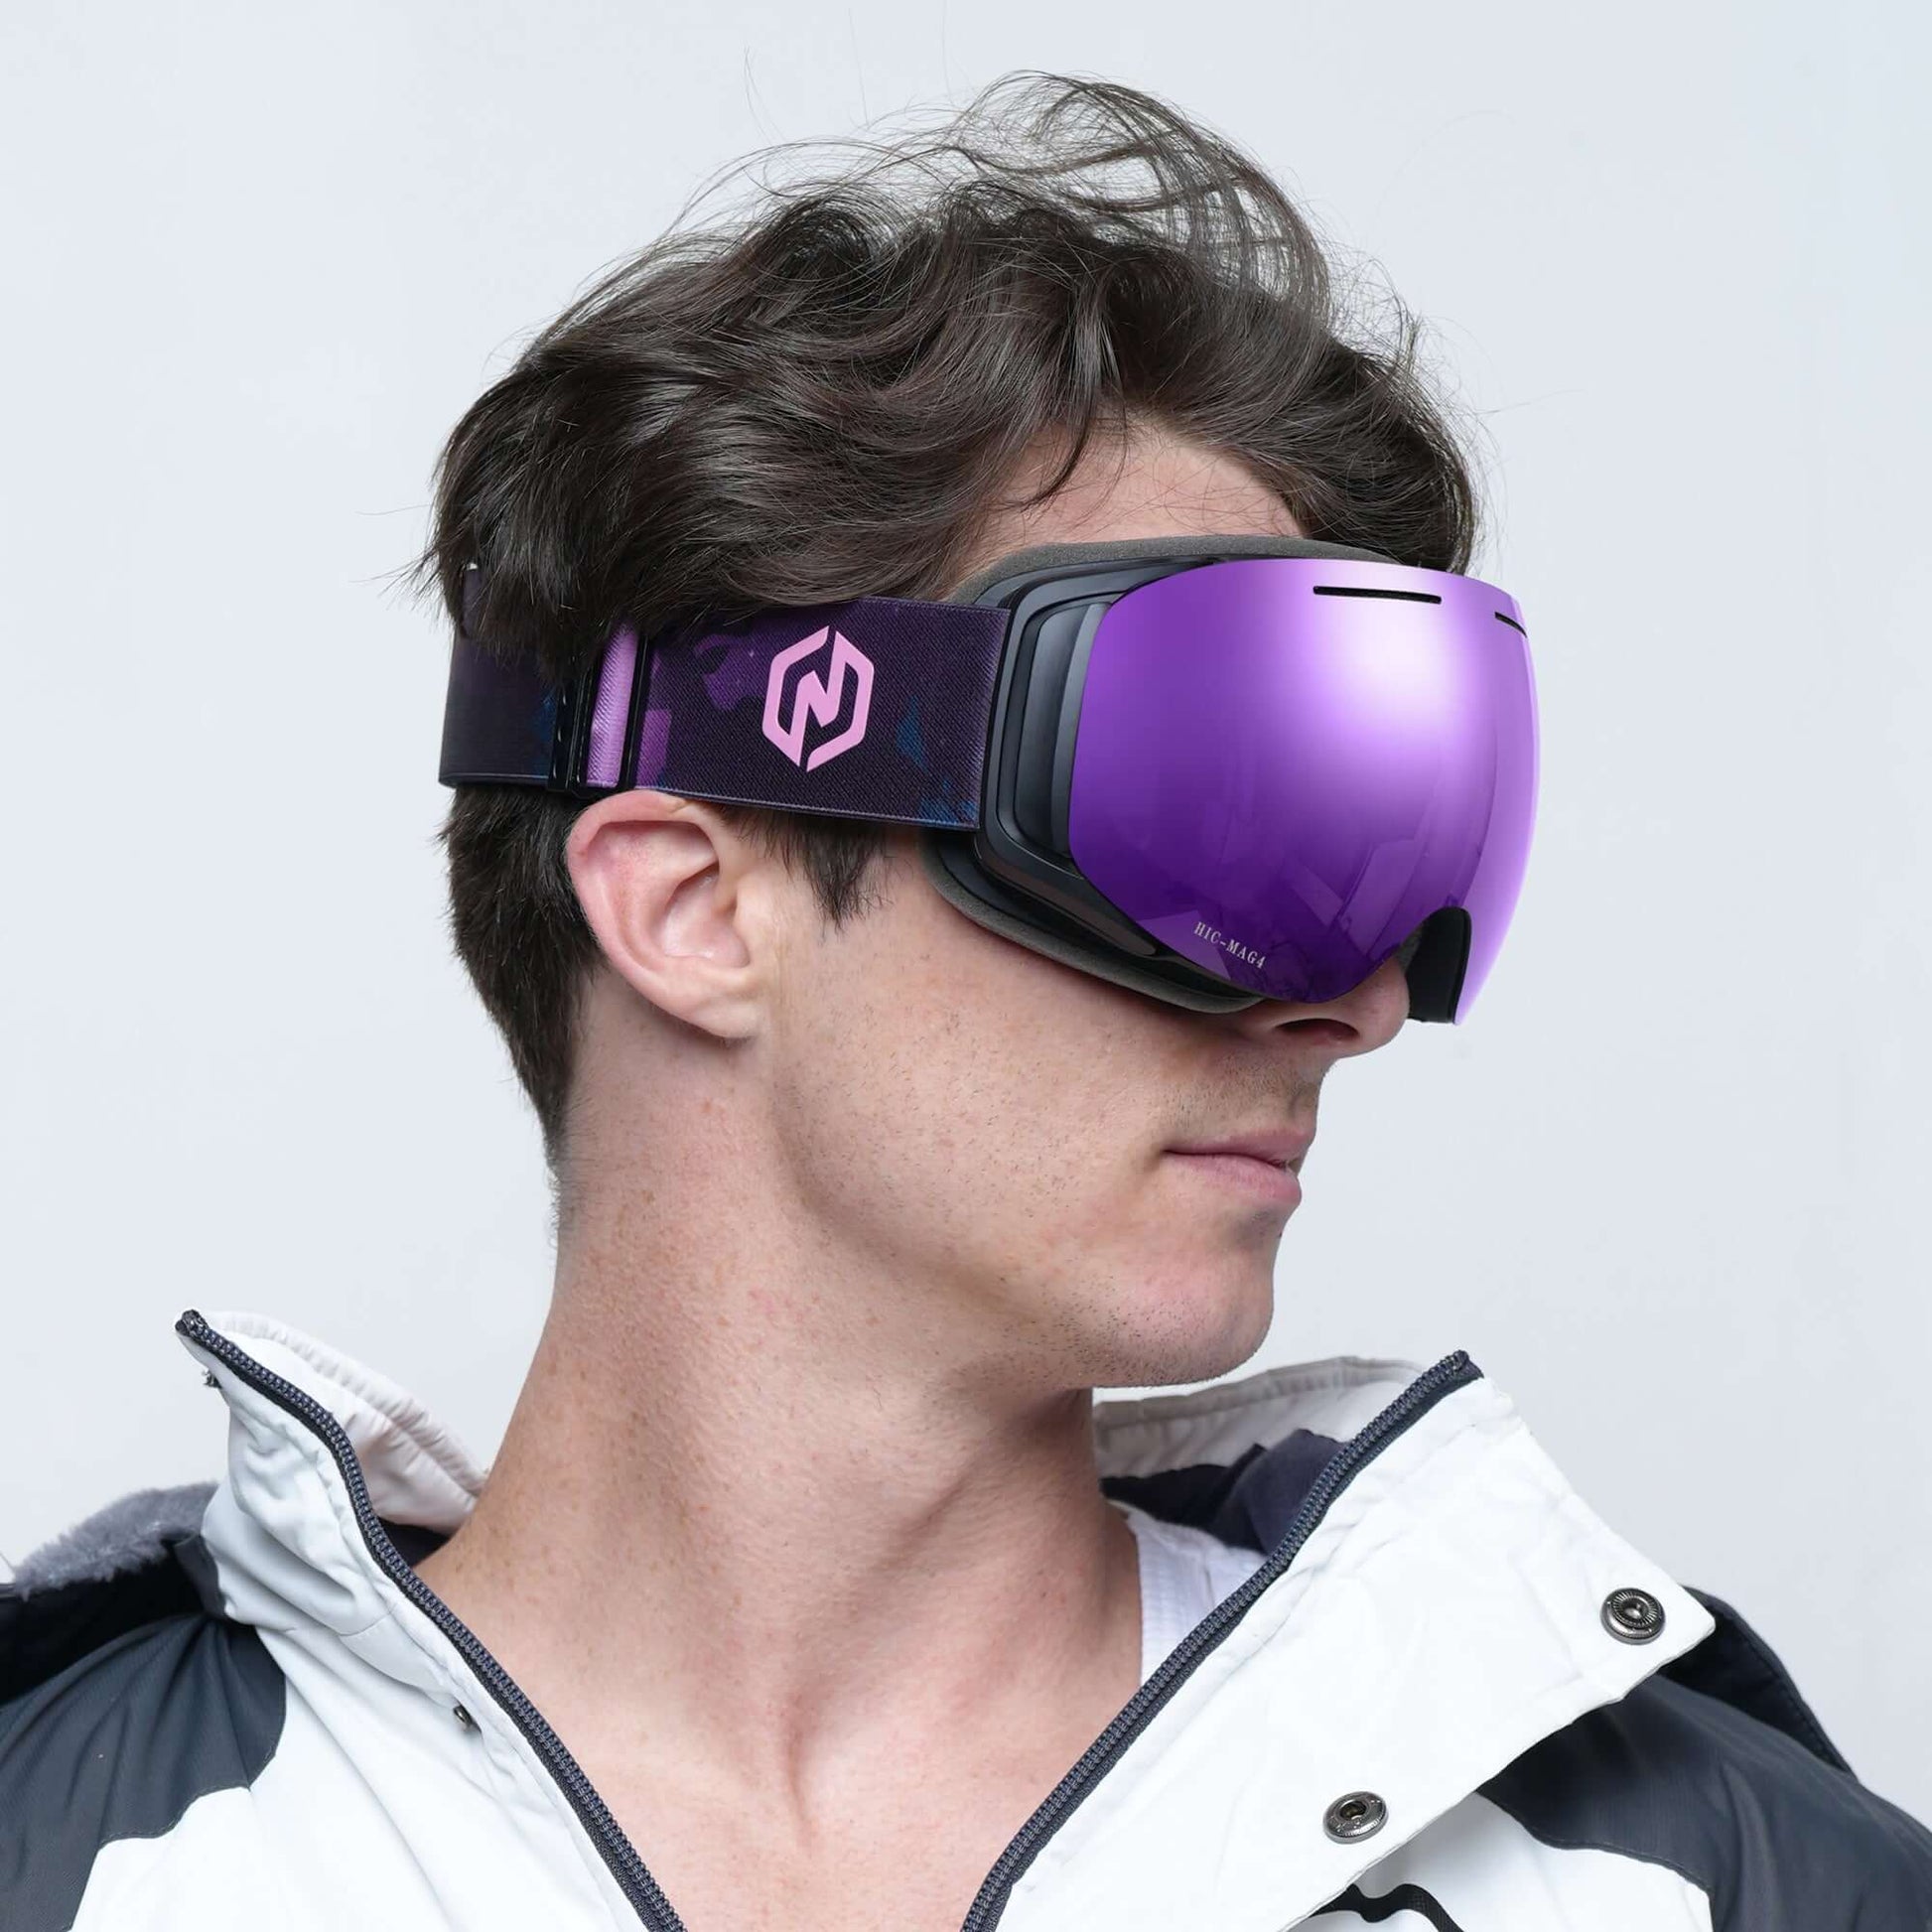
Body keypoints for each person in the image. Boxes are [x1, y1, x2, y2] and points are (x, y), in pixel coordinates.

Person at [4, 70, 1928, 1932]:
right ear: (694, 907)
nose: (1346, 1004)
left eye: (1370, 850)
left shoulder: (1715, 1882)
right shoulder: (73, 1855)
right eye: (1196, 822)